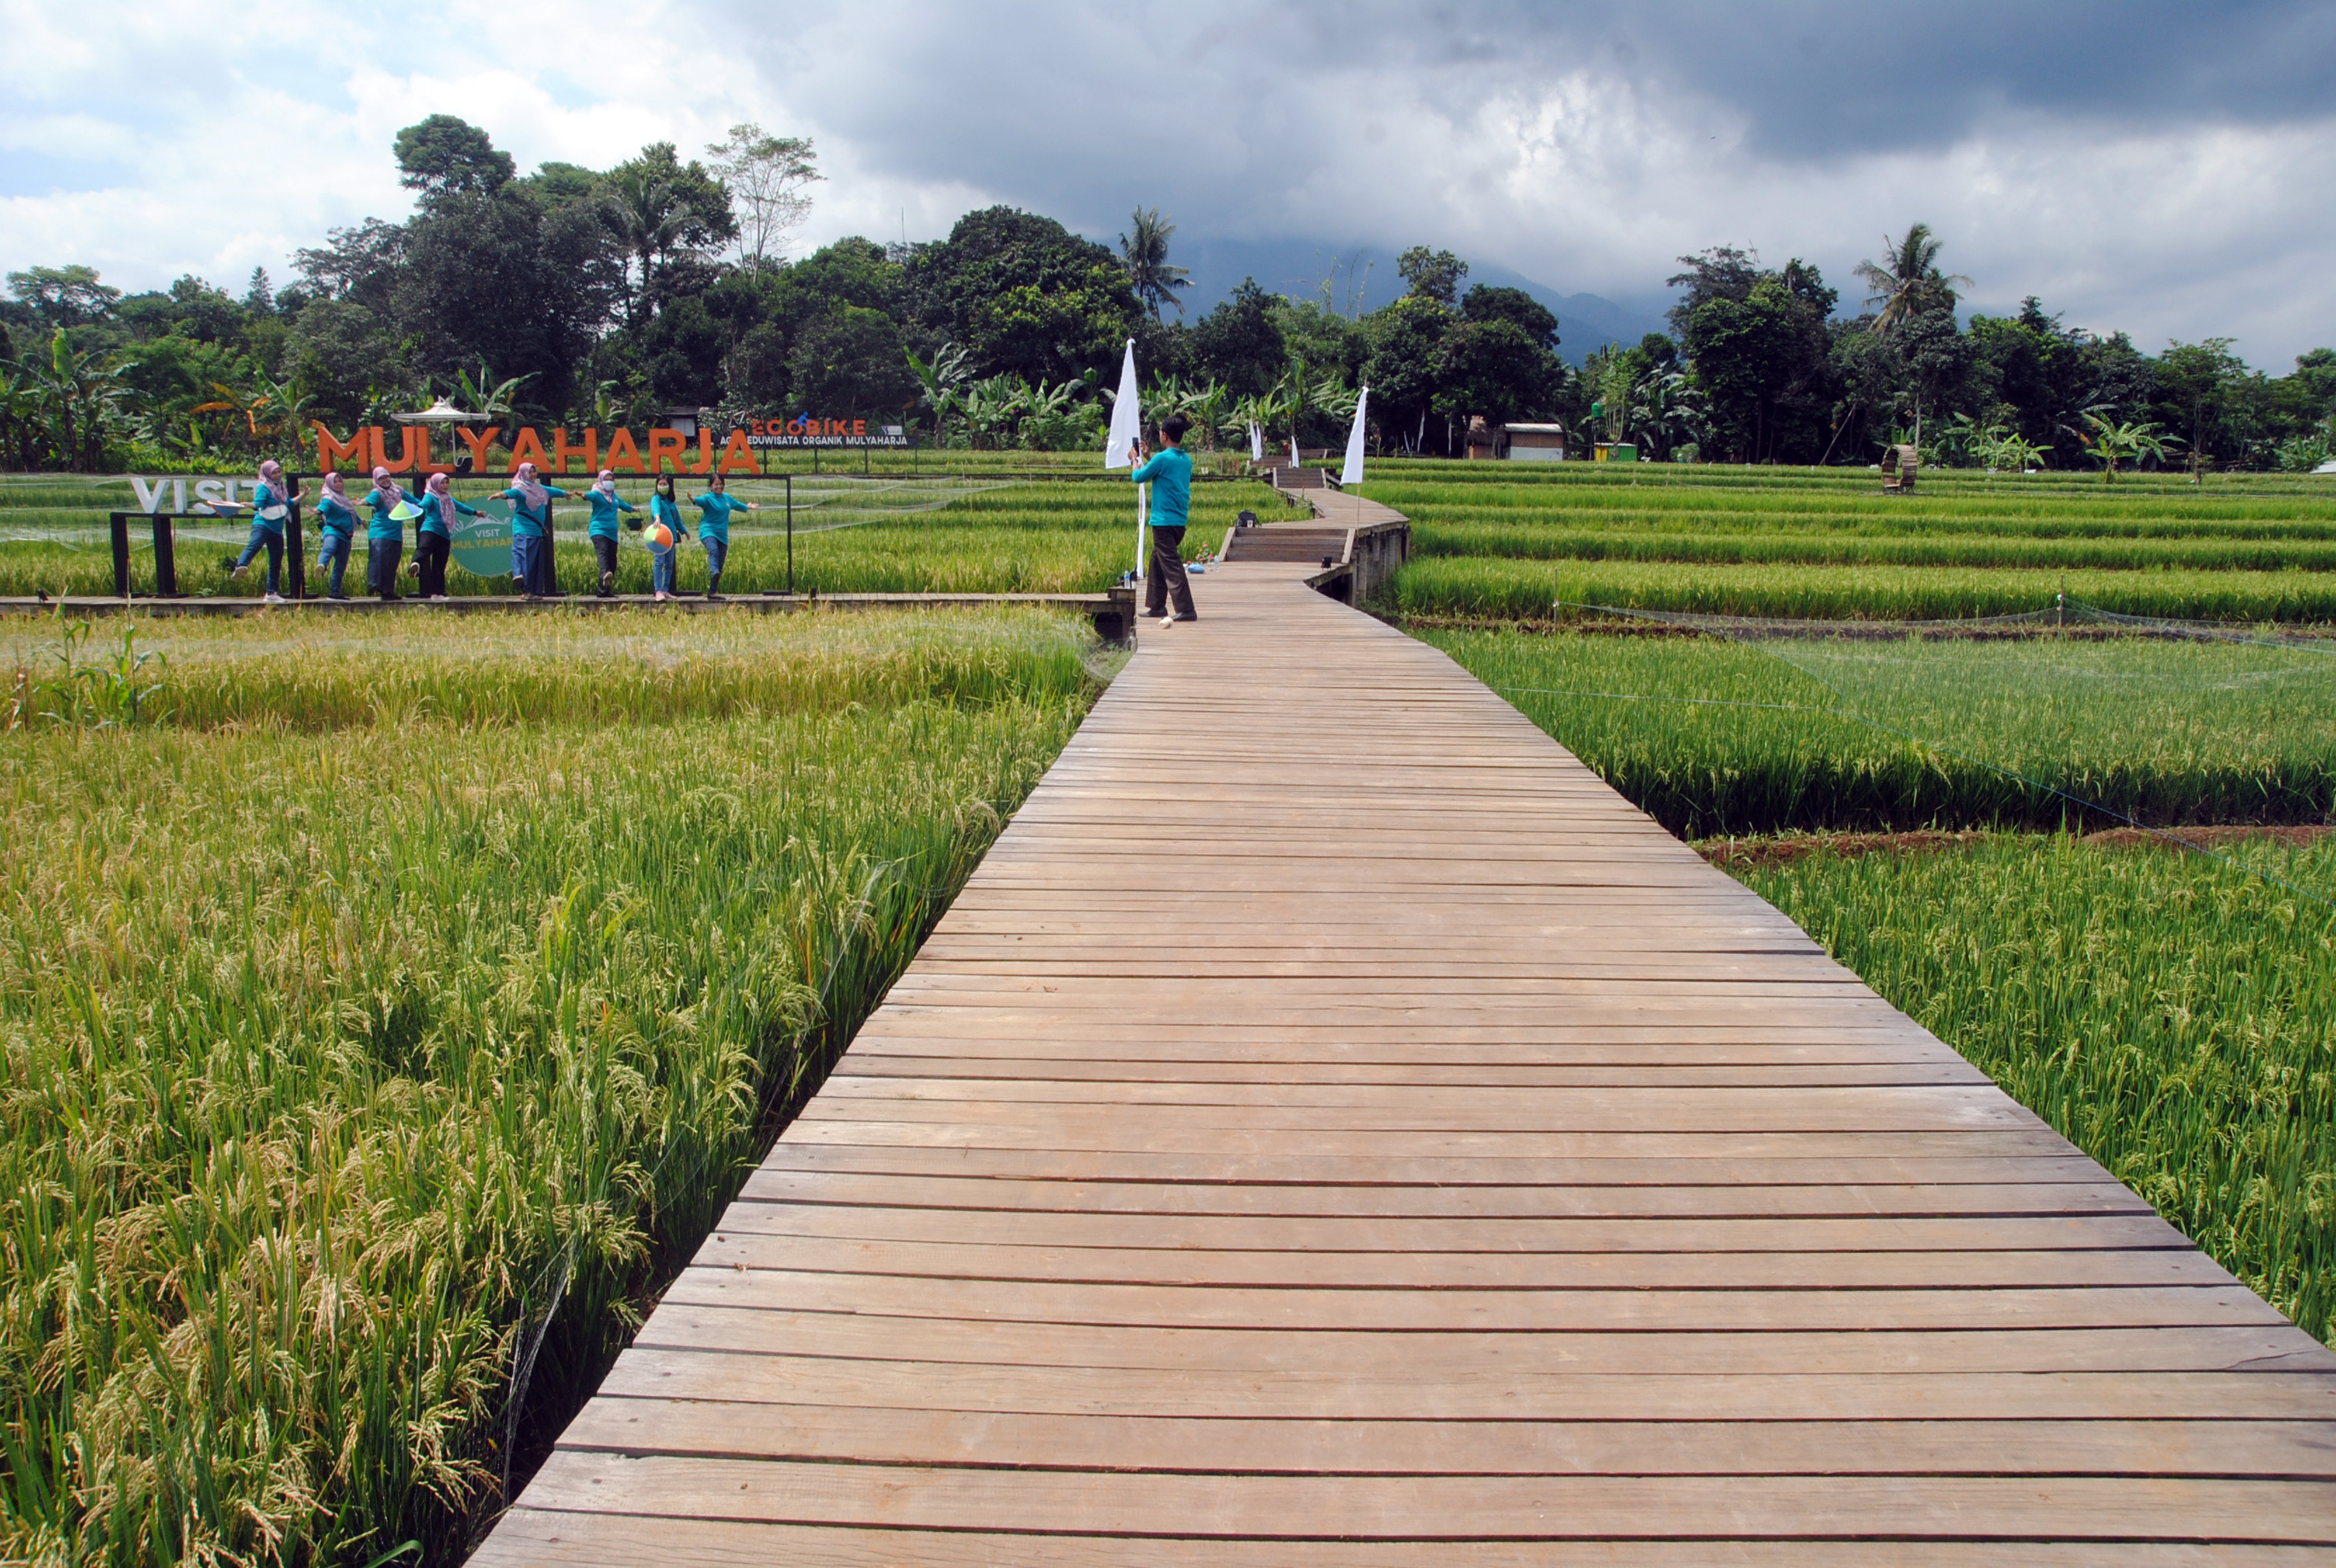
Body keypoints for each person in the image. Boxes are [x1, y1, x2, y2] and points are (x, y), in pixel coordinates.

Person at [1129, 412, 1198, 625]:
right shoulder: (1184, 459)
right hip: (1178, 522)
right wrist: (1150, 458)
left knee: (1171, 565)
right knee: (1156, 560)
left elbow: (1138, 477)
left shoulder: (1162, 459)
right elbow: (1163, 470)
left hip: (1163, 522)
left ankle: (1186, 609)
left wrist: (1134, 460)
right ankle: (1156, 605)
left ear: (1165, 435)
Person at [229, 458, 300, 603]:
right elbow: (259, 503)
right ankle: (241, 566)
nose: (278, 475)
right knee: (255, 545)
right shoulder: (264, 487)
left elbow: (289, 504)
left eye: (279, 471)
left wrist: (304, 495)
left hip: (277, 528)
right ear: (267, 474)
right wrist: (249, 505)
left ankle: (272, 593)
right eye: (274, 473)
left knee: (276, 559)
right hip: (263, 524)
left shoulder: (281, 487)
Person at [500, 462, 568, 599]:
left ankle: (534, 592)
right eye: (529, 472)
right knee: (523, 556)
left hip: (537, 531)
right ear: (523, 474)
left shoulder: (540, 489)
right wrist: (500, 495)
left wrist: (566, 494)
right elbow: (510, 494)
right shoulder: (520, 489)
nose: (532, 475)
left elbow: (554, 491)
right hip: (523, 529)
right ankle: (523, 585)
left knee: (535, 563)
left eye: (534, 472)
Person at [690, 473, 755, 600]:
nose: (719, 486)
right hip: (708, 531)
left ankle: (713, 592)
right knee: (713, 551)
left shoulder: (727, 498)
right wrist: (693, 499)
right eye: (716, 484)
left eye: (721, 484)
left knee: (720, 563)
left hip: (722, 535)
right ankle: (714, 572)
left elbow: (737, 505)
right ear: (711, 486)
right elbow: (699, 501)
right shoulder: (708, 499)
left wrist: (748, 507)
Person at [414, 472, 478, 601]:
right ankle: (415, 564)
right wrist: (418, 508)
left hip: (445, 534)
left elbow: (460, 507)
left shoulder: (448, 498)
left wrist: (475, 513)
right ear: (435, 484)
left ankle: (437, 594)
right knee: (424, 550)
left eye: (446, 483)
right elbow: (424, 504)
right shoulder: (431, 496)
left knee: (440, 564)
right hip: (431, 530)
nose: (445, 486)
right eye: (442, 483)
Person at [359, 466, 410, 601]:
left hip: (396, 533)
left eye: (387, 476)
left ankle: (387, 592)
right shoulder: (378, 492)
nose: (385, 480)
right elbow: (370, 500)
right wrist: (361, 502)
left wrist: (426, 506)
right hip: (380, 532)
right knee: (378, 558)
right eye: (381, 478)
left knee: (392, 563)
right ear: (376, 480)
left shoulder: (398, 490)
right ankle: (373, 584)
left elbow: (414, 502)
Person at [583, 470, 638, 597]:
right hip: (599, 530)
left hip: (612, 533)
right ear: (601, 481)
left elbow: (623, 505)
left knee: (613, 561)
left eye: (611, 480)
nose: (609, 482)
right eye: (607, 480)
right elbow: (589, 496)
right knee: (603, 554)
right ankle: (604, 573)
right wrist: (583, 496)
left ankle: (604, 592)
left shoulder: (614, 497)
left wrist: (634, 510)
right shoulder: (597, 494)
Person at [312, 472, 360, 599]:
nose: (338, 484)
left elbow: (351, 513)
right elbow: (323, 508)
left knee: (340, 565)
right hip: (333, 530)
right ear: (329, 484)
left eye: (340, 481)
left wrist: (361, 521)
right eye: (335, 482)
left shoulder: (343, 499)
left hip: (347, 535)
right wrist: (316, 511)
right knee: (329, 548)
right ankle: (322, 566)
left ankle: (334, 593)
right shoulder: (329, 499)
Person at [646, 473, 688, 602]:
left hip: (671, 538)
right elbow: (656, 510)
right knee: (659, 562)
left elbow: (677, 520)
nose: (662, 486)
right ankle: (658, 590)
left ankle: (665, 590)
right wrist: (657, 518)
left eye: (665, 484)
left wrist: (684, 531)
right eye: (660, 484)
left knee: (669, 564)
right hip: (659, 537)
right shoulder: (656, 499)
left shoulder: (670, 503)